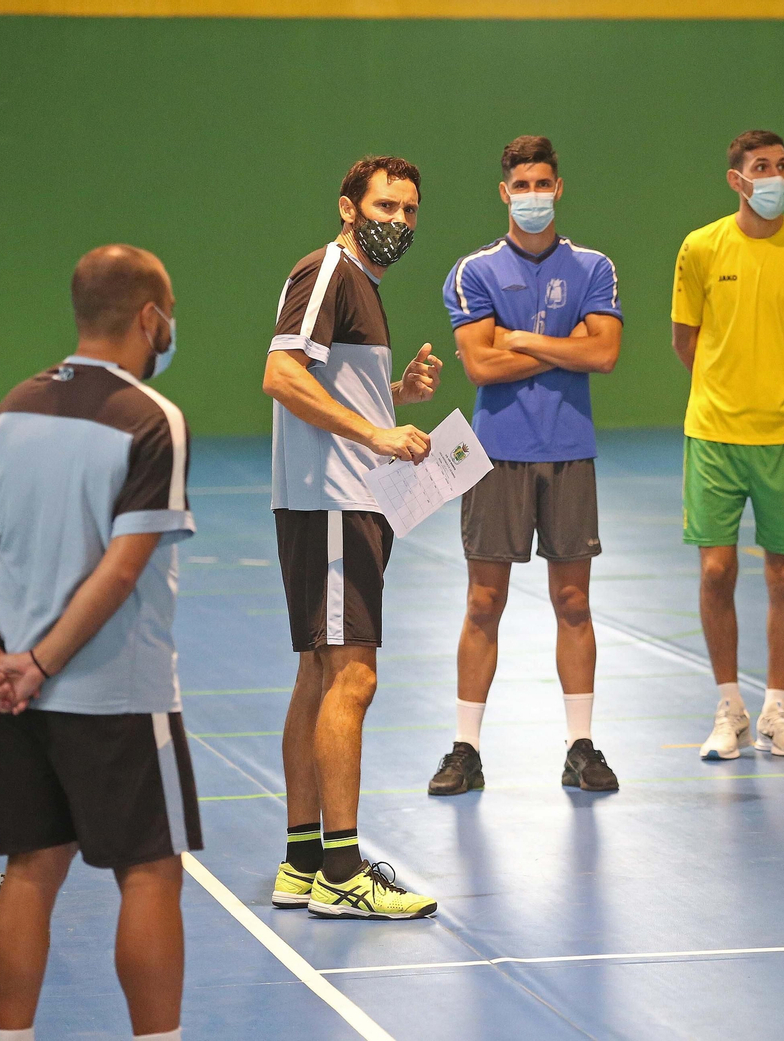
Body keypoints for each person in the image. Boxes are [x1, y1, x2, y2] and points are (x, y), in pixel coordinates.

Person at [0, 245, 198, 1041]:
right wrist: (41, 661)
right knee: (152, 872)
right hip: (117, 692)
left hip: (8, 693)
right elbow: (121, 567)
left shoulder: (6, 411)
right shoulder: (151, 419)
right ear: (149, 317)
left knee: (31, 868)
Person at [263, 155, 443, 918]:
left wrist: (392, 393)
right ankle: (343, 871)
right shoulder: (330, 270)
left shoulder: (359, 284)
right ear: (347, 207)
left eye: (409, 210)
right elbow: (282, 373)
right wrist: (377, 428)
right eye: (385, 206)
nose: (398, 221)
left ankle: (304, 860)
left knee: (318, 674)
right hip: (335, 502)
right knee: (354, 678)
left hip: (343, 499)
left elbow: (322, 377)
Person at [428, 135, 623, 796]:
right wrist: (567, 344)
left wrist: (523, 339)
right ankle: (465, 748)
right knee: (485, 601)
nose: (534, 195)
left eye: (544, 183)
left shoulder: (594, 266)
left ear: (558, 188)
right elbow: (481, 366)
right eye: (523, 185)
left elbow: (606, 355)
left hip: (570, 453)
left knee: (574, 600)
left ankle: (581, 745)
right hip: (495, 456)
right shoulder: (474, 271)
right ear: (504, 192)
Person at [671, 130, 784, 762]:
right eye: (763, 167)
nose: (775, 177)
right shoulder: (701, 247)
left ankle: (777, 709)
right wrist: (723, 389)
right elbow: (687, 339)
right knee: (716, 570)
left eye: (783, 166)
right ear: (737, 178)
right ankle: (729, 707)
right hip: (714, 434)